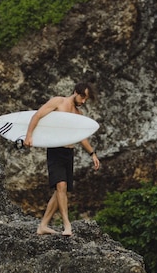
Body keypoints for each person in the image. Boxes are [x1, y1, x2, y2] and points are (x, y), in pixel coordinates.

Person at [24, 81, 100, 236]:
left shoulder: (79, 115)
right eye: (83, 97)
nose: (83, 102)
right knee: (61, 187)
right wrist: (29, 136)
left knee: (60, 190)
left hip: (68, 153)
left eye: (86, 99)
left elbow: (81, 138)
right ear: (76, 92)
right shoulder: (58, 102)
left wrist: (92, 154)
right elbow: (37, 115)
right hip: (55, 150)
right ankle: (67, 225)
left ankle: (43, 226)